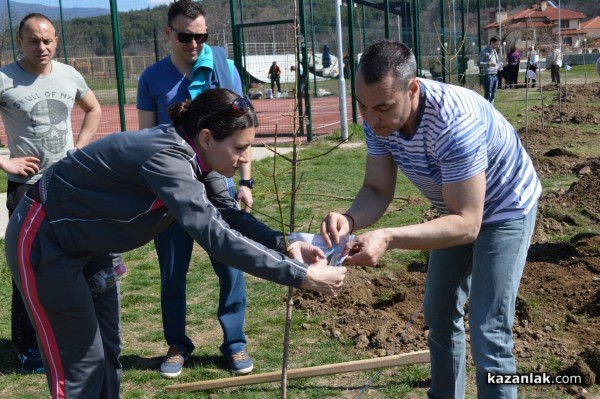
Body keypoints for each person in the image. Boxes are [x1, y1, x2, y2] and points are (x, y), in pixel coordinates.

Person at [6, 87, 347, 399]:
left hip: (93, 247)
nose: (245, 159)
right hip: (47, 238)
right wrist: (300, 276)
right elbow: (215, 236)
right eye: (240, 148)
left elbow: (229, 216)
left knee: (108, 355)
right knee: (79, 365)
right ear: (207, 137)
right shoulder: (167, 158)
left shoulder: (200, 159)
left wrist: (285, 244)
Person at [321, 40, 541, 399]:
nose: (370, 118)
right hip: (455, 209)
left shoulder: (454, 123)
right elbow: (377, 189)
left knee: (489, 329)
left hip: (505, 209)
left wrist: (389, 237)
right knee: (438, 312)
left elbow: (469, 224)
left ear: (412, 89)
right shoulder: (378, 120)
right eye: (362, 105)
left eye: (381, 107)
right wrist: (348, 219)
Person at [136, 0, 255, 378]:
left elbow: (242, 129)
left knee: (230, 262)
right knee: (173, 270)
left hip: (218, 181)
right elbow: (147, 137)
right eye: (186, 36)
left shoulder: (223, 69)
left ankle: (234, 343)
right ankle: (177, 344)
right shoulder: (151, 78)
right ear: (168, 33)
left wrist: (246, 181)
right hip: (170, 186)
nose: (194, 44)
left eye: (201, 36)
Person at [0, 13, 106, 375]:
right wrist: (5, 163)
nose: (41, 47)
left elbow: (93, 108)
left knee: (77, 259)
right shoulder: (4, 78)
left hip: (67, 184)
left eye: (47, 40)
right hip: (28, 189)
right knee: (27, 268)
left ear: (56, 40)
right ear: (20, 41)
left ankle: (71, 330)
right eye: (33, 40)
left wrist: (80, 146)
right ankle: (27, 346)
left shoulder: (69, 75)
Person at [477, 36, 501, 104]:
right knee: (488, 94)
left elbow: (496, 62)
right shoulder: (484, 51)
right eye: (497, 44)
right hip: (488, 76)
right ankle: (485, 109)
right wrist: (488, 64)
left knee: (493, 95)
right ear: (492, 43)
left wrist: (499, 66)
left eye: (498, 44)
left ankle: (491, 110)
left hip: (495, 75)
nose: (498, 46)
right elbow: (478, 63)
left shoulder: (495, 52)